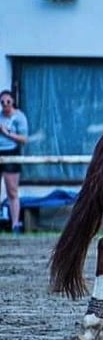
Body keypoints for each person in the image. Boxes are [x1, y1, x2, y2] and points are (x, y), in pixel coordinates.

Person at [0, 90, 29, 234]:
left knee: (12, 190)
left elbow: (24, 139)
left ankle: (15, 223)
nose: (5, 105)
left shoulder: (19, 117)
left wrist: (7, 133)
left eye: (8, 102)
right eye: (2, 103)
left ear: (13, 102)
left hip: (11, 152)